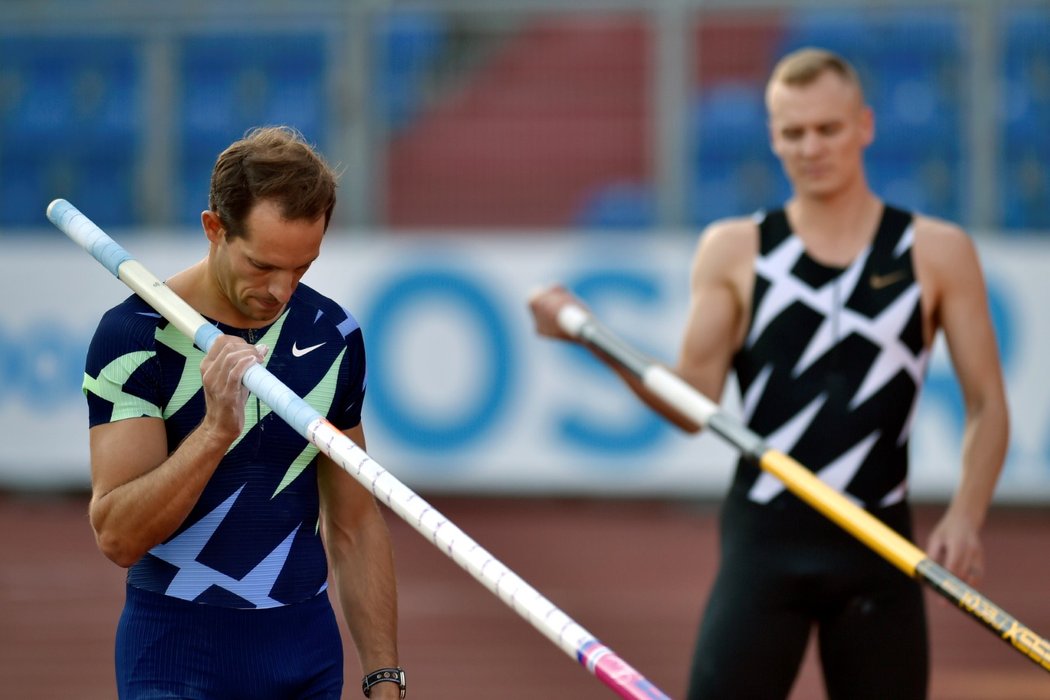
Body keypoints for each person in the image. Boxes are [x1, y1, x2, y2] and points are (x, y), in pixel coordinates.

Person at [528, 47, 1008, 699]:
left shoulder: (938, 252)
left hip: (879, 548)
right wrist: (594, 339)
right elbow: (694, 402)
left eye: (827, 129)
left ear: (864, 126)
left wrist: (966, 515)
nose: (810, 147)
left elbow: (987, 404)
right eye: (792, 132)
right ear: (772, 138)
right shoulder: (735, 249)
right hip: (764, 544)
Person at [82, 126, 405, 699]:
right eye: (262, 265)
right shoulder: (133, 339)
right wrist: (215, 432)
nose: (281, 290)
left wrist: (384, 676)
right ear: (215, 229)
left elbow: (354, 525)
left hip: (304, 654)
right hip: (175, 656)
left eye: (302, 267)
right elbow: (118, 536)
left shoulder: (332, 337)